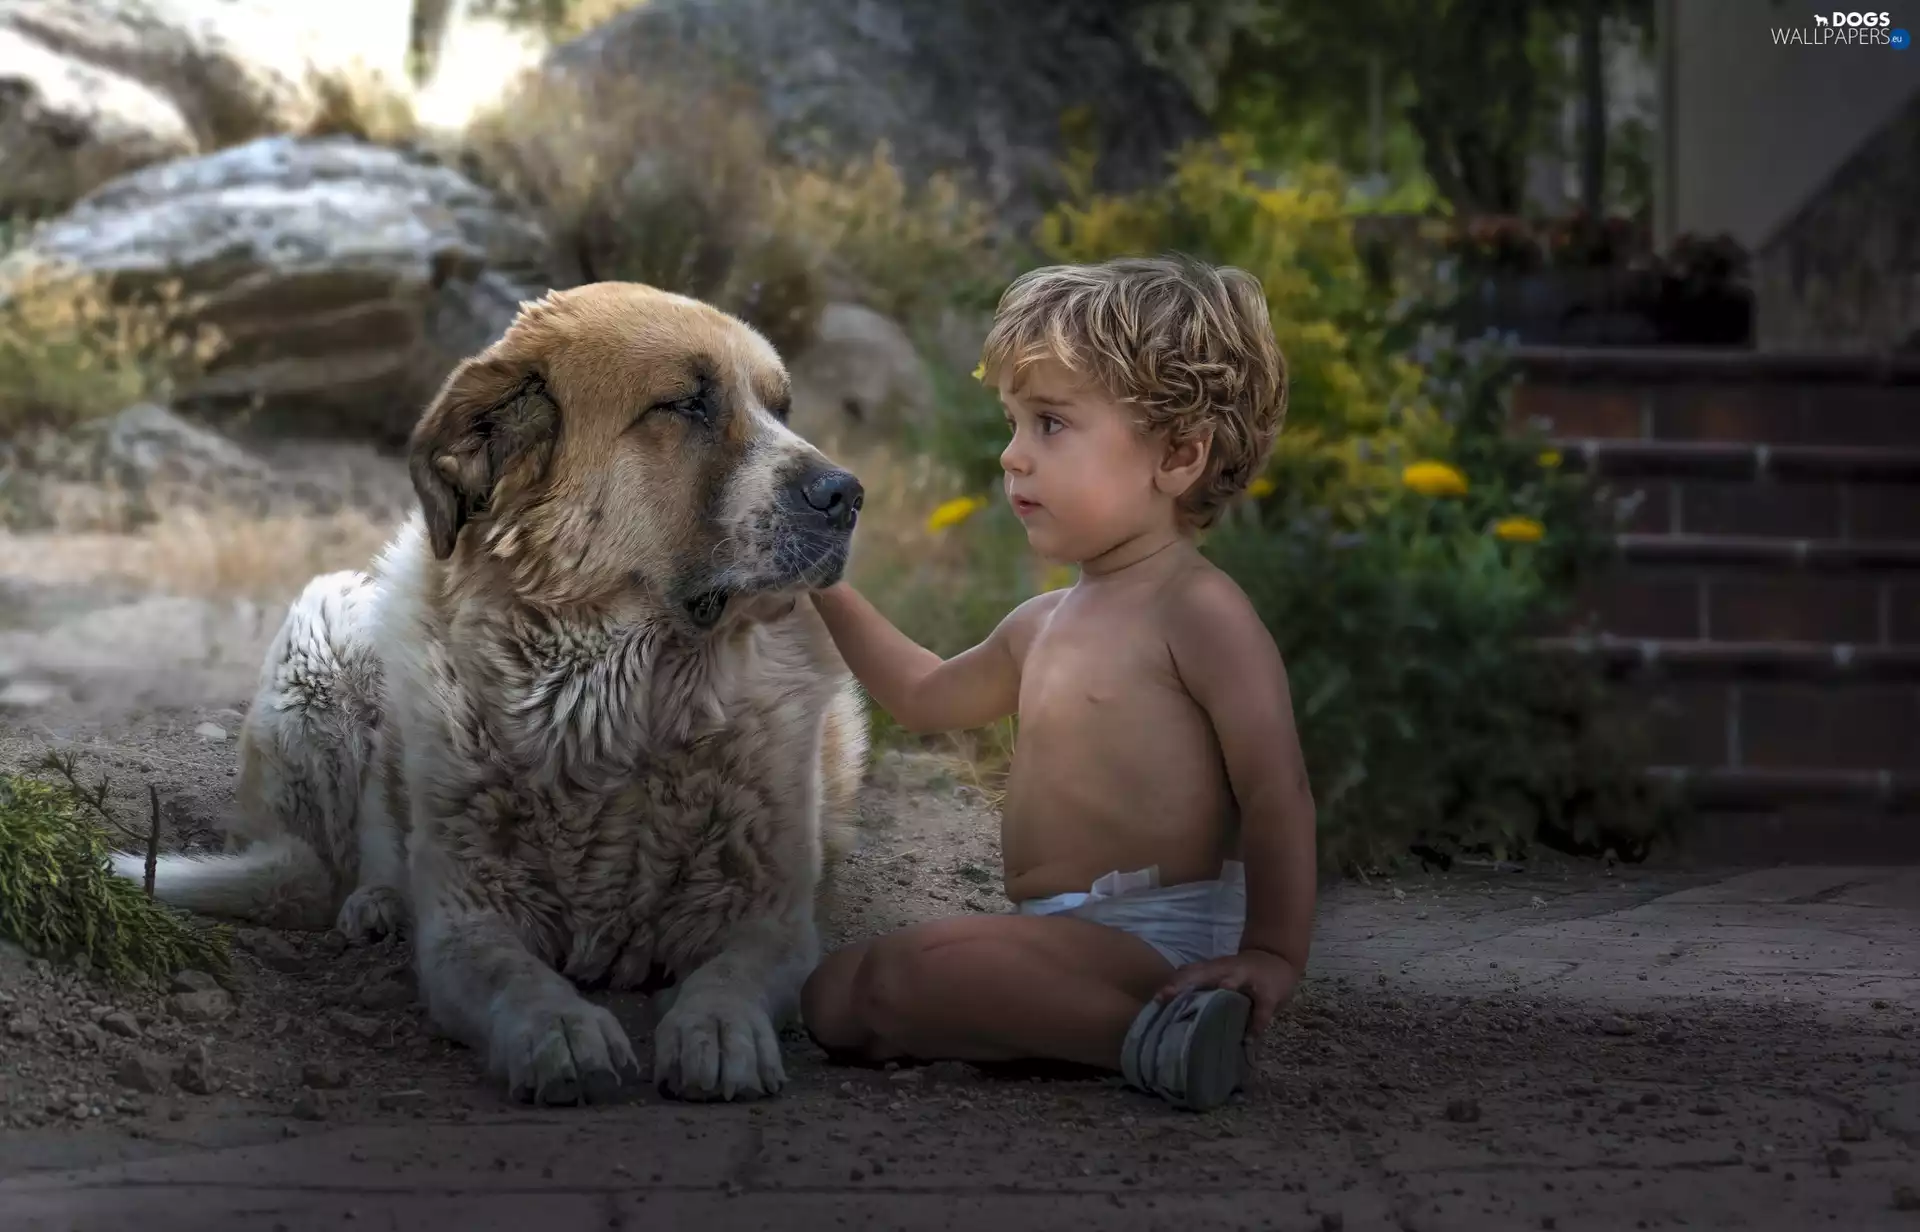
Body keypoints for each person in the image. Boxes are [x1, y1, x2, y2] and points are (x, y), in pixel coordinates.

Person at [800, 253, 1316, 1111]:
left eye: (1049, 424)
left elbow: (1277, 790)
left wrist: (1271, 952)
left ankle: (1148, 1040)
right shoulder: (1041, 624)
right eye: (1011, 423)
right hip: (1063, 939)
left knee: (908, 975)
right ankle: (1057, 1022)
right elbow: (923, 696)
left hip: (1153, 939)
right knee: (833, 997)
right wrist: (824, 585)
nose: (1012, 458)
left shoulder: (1200, 611)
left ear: (1179, 456)